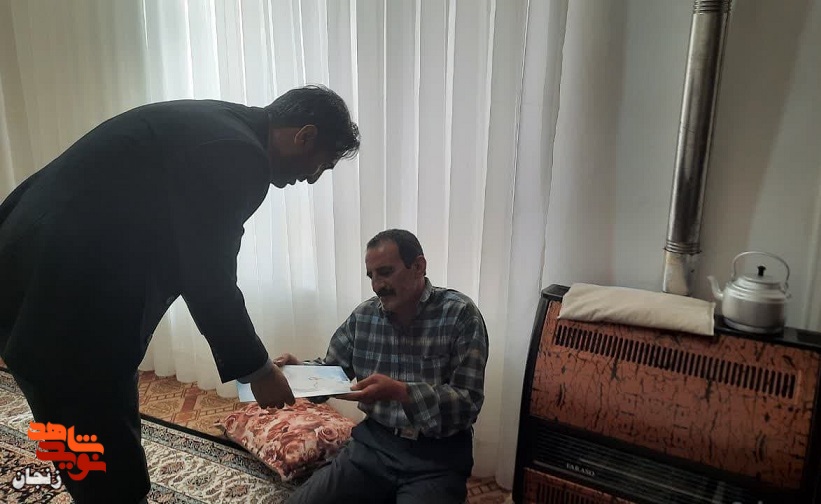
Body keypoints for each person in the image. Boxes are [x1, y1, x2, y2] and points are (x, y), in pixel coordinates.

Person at [0, 85, 360, 504]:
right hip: (66, 301)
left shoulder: (218, 122)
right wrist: (258, 370)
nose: (312, 178)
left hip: (26, 270)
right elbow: (208, 275)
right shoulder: (240, 154)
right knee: (105, 454)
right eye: (322, 166)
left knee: (69, 426)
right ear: (305, 136)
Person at [277, 229, 489, 504]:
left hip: (437, 457)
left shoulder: (460, 315)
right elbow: (332, 372)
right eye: (371, 276)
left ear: (419, 266)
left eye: (386, 272)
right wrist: (297, 372)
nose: (377, 285)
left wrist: (402, 392)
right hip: (374, 446)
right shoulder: (364, 316)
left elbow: (467, 403)